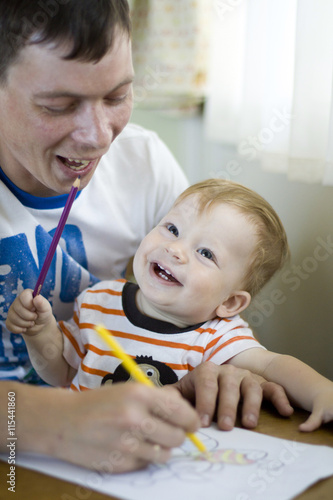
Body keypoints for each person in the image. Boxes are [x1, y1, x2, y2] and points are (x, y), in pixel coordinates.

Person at [0, 0, 292, 472]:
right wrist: (54, 420)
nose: (99, 137)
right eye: (59, 105)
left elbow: (206, 304)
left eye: (116, 97)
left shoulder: (142, 161)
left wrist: (229, 373)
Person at [7, 178, 333, 431]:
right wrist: (40, 333)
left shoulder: (218, 336)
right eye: (172, 229)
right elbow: (62, 373)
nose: (176, 249)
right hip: (82, 444)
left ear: (231, 302)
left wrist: (321, 392)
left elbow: (274, 366)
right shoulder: (98, 300)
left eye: (205, 253)